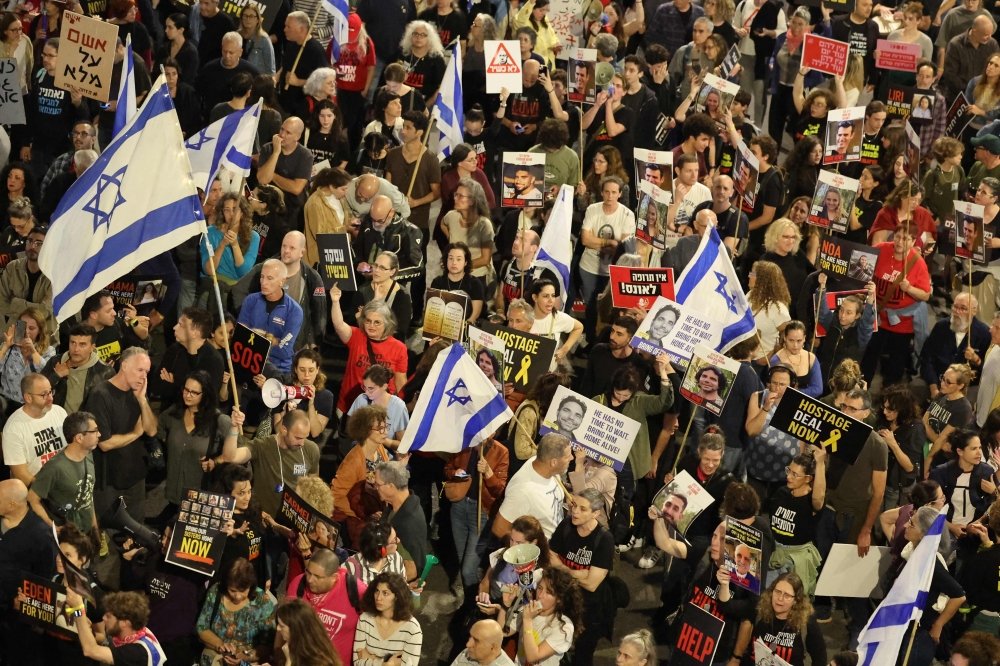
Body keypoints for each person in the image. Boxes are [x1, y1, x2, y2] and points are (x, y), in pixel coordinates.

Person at [814, 389, 888, 633]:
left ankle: (858, 625)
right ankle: (823, 608)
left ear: (866, 414)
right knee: (821, 561)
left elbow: (878, 492)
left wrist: (866, 529)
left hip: (854, 517)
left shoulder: (877, 445)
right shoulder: (833, 430)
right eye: (843, 407)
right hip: (828, 509)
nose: (844, 412)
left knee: (849, 571)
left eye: (851, 409)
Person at [547, 488, 614, 666]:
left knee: (583, 656)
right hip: (562, 600)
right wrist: (580, 573)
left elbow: (591, 584)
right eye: (575, 505)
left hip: (588, 608)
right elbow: (549, 559)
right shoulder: (566, 525)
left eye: (583, 509)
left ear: (596, 513)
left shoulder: (604, 539)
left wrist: (563, 567)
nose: (575, 511)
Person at [860, 226, 931, 385]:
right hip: (876, 317)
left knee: (895, 366)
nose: (899, 242)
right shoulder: (880, 249)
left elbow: (925, 295)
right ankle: (860, 393)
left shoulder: (918, 263)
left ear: (913, 242)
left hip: (901, 324)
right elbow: (860, 265)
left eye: (905, 239)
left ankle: (888, 401)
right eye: (897, 237)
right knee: (868, 358)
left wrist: (909, 289)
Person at [157, 370, 234, 511]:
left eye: (194, 392)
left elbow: (236, 451)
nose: (187, 395)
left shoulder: (219, 420)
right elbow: (159, 426)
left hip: (201, 497)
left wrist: (216, 461)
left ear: (205, 395)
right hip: (175, 492)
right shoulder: (175, 412)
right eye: (186, 389)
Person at [222, 408, 318, 518]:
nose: (302, 443)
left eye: (305, 438)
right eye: (298, 438)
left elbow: (313, 486)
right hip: (263, 519)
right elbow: (230, 457)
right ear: (284, 430)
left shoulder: (312, 449)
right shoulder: (262, 446)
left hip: (293, 521)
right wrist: (234, 427)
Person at [444, 435, 509, 598]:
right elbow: (448, 467)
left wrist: (488, 472)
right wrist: (454, 472)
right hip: (458, 507)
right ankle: (469, 606)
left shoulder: (500, 451)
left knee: (467, 570)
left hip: (482, 512)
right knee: (462, 560)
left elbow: (499, 491)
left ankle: (473, 609)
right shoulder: (463, 442)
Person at [0, 478, 57, 665]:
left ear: (12, 504)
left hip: (14, 615)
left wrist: (29, 606)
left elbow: (45, 576)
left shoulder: (40, 534)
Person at [329, 283, 408, 416]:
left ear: (387, 324)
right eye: (368, 321)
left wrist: (399, 409)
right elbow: (338, 325)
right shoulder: (356, 336)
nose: (371, 325)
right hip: (350, 405)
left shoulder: (399, 348)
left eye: (377, 322)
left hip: (381, 408)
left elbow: (400, 383)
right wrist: (335, 302)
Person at [579, 175, 637, 349]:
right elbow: (584, 240)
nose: (610, 196)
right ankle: (590, 341)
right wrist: (608, 242)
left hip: (614, 270)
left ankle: (607, 342)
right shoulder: (592, 209)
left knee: (611, 310)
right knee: (590, 307)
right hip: (589, 267)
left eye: (614, 192)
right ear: (601, 193)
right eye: (606, 192)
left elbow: (623, 247)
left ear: (620, 194)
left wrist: (597, 241)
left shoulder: (627, 214)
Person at [283, 548, 366, 664]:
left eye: (317, 576)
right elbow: (283, 626)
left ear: (334, 578)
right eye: (308, 572)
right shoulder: (298, 585)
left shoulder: (357, 591)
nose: (310, 579)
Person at [331, 404, 392, 545]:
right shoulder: (353, 461)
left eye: (386, 426)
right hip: (357, 526)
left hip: (376, 516)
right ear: (365, 431)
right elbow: (336, 495)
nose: (385, 432)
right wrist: (361, 514)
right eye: (380, 428)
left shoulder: (380, 449)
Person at [196, 557, 276, 665]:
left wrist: (247, 657)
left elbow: (269, 643)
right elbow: (201, 627)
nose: (237, 596)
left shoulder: (262, 600)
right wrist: (221, 646)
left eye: (242, 591)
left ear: (251, 585)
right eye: (232, 590)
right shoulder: (215, 592)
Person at [494, 433, 572, 538]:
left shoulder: (542, 462)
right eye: (567, 457)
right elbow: (499, 528)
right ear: (553, 462)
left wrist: (566, 497)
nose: (572, 458)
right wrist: (530, 550)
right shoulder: (523, 491)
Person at [66, 588, 168, 666]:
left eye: (109, 616)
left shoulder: (136, 652)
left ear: (124, 623)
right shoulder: (139, 633)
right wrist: (83, 624)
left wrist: (78, 609)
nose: (104, 618)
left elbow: (91, 650)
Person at [236, 259, 304, 374]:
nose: (263, 282)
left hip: (278, 369)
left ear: (282, 282)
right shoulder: (250, 301)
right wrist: (271, 340)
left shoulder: (294, 311)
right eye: (262, 277)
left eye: (269, 278)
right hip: (250, 364)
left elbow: (285, 351)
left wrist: (255, 338)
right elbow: (240, 337)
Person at [744, 573, 826, 665]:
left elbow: (820, 657)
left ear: (796, 600)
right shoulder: (760, 611)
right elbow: (731, 607)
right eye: (777, 592)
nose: (780, 598)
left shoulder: (805, 622)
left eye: (787, 595)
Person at [921, 294, 991, 397]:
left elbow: (988, 370)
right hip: (937, 380)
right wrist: (933, 387)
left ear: (974, 311)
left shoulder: (984, 334)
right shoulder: (941, 327)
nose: (957, 311)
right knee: (915, 388)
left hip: (965, 387)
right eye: (955, 307)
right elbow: (926, 358)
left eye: (963, 308)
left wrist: (976, 359)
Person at [385, 111, 442, 231]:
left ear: (419, 132)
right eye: (403, 127)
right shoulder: (392, 154)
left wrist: (416, 202)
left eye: (408, 128)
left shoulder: (431, 159)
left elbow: (436, 192)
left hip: (418, 223)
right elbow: (387, 185)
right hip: (393, 220)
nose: (403, 131)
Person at [373, 461, 427, 585]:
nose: (375, 487)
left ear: (391, 486)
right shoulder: (399, 505)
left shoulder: (408, 524)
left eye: (377, 484)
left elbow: (411, 570)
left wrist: (386, 587)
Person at [353, 572, 423, 666]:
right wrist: (385, 664)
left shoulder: (412, 629)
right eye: (377, 591)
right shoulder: (365, 619)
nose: (378, 598)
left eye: (385, 593)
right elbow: (357, 662)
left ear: (397, 597)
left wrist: (372, 658)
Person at [440, 177, 496, 295]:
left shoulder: (484, 225)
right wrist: (450, 237)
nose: (455, 198)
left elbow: (485, 259)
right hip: (454, 274)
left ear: (472, 201)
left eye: (460, 196)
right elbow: (443, 224)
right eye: (456, 194)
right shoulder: (451, 216)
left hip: (476, 277)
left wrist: (461, 268)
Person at [41, 324, 115, 414]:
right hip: (56, 422)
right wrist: (56, 375)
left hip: (86, 425)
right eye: (73, 343)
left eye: (82, 344)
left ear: (92, 347)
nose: (76, 349)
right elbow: (37, 390)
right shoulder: (55, 362)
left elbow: (111, 407)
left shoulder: (105, 371)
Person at [257, 117, 314, 231]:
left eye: (288, 132)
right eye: (282, 129)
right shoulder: (268, 149)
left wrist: (271, 174)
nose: (282, 134)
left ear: (297, 137)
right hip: (268, 207)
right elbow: (262, 179)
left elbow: (296, 188)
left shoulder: (305, 156)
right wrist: (276, 152)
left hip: (292, 210)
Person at [277, 12, 330, 120]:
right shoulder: (291, 43)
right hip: (284, 103)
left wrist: (298, 82)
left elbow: (323, 83)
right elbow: (286, 66)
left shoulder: (316, 51)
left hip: (302, 108)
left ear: (301, 30)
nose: (284, 29)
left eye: (288, 26)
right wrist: (275, 77)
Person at [923, 364, 975, 472]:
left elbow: (944, 437)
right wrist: (941, 443)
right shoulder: (941, 395)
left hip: (940, 458)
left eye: (948, 382)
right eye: (943, 378)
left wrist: (929, 459)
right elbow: (924, 421)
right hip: (925, 444)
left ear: (961, 386)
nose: (942, 384)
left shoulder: (963, 408)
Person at [529, 279, 583, 370]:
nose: (551, 301)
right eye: (546, 296)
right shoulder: (524, 317)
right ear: (535, 297)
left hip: (549, 376)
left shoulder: (557, 318)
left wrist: (565, 349)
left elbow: (579, 327)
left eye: (553, 296)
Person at [431, 242, 485, 323]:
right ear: (446, 260)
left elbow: (475, 314)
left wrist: (462, 327)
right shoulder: (437, 282)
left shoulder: (475, 283)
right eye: (451, 258)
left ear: (465, 262)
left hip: (466, 326)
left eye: (459, 259)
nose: (454, 263)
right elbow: (433, 311)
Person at [769, 321, 822, 397]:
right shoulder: (776, 360)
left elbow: (818, 389)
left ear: (804, 338)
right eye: (791, 340)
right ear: (785, 338)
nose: (795, 345)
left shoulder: (811, 358)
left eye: (799, 341)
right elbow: (774, 388)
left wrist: (796, 392)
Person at [346, 520, 407, 585]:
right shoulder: (350, 566)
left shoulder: (396, 557)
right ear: (380, 549)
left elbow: (402, 586)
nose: (398, 541)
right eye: (394, 539)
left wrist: (409, 589)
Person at [450, 619, 516, 666]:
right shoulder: (467, 653)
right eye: (470, 637)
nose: (468, 645)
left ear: (493, 647)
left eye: (476, 640)